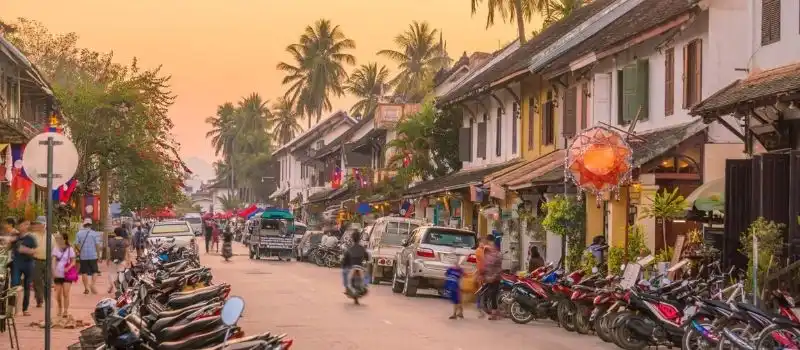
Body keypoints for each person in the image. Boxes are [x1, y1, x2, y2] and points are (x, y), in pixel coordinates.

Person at [9, 219, 36, 316]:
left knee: (27, 286)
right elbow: (8, 246)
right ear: (19, 226)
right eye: (24, 224)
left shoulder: (31, 238)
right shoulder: (15, 237)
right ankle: (12, 309)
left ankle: (25, 309)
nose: (26, 226)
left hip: (28, 263)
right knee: (14, 286)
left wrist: (26, 250)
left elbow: (35, 251)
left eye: (27, 224)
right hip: (16, 263)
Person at [74, 218, 102, 294]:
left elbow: (76, 244)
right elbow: (97, 245)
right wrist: (99, 256)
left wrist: (79, 250)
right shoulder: (95, 233)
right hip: (93, 255)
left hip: (83, 256)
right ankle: (92, 284)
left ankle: (86, 288)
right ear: (90, 225)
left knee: (84, 272)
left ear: (84, 225)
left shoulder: (79, 233)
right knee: (95, 271)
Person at [52, 232, 76, 317]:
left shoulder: (70, 249)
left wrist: (68, 268)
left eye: (60, 238)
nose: (59, 240)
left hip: (67, 274)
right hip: (58, 273)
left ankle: (65, 311)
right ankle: (60, 308)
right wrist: (53, 271)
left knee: (66, 293)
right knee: (58, 294)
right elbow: (53, 260)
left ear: (65, 239)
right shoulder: (56, 248)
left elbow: (73, 261)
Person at [480, 234, 503, 320]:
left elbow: (498, 266)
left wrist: (494, 276)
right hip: (489, 277)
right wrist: (483, 274)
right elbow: (486, 264)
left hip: (495, 277)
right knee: (489, 294)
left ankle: (494, 313)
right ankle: (493, 311)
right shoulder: (487, 252)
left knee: (493, 294)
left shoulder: (496, 253)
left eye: (488, 242)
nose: (488, 244)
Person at [31, 218, 51, 308]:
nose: (40, 226)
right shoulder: (33, 236)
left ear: (45, 225)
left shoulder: (50, 236)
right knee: (37, 281)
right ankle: (39, 300)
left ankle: (47, 300)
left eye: (41, 224)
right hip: (36, 261)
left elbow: (55, 249)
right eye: (38, 224)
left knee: (47, 281)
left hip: (47, 261)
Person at [107, 227, 128, 294]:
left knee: (111, 274)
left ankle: (113, 286)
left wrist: (108, 259)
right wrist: (128, 260)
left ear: (115, 233)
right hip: (122, 260)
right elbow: (127, 252)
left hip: (112, 260)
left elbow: (109, 251)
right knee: (121, 274)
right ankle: (119, 288)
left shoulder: (110, 241)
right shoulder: (125, 241)